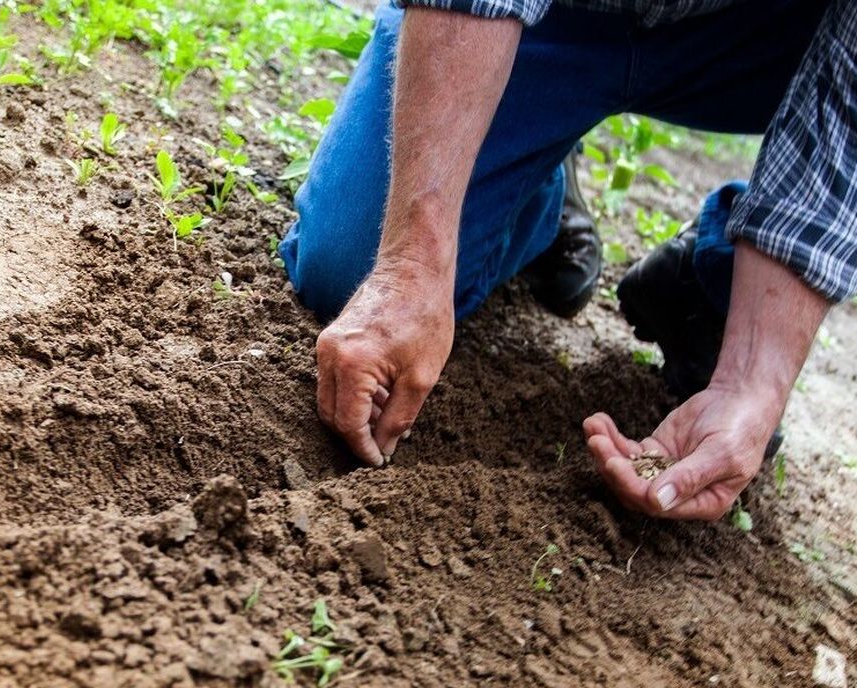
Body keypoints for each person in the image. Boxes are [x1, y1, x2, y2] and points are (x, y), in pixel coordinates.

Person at [278, 0, 854, 520]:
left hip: (762, 37)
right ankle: (536, 186)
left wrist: (751, 384)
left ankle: (718, 279)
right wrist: (412, 265)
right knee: (348, 267)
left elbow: (843, 115)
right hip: (558, 15)